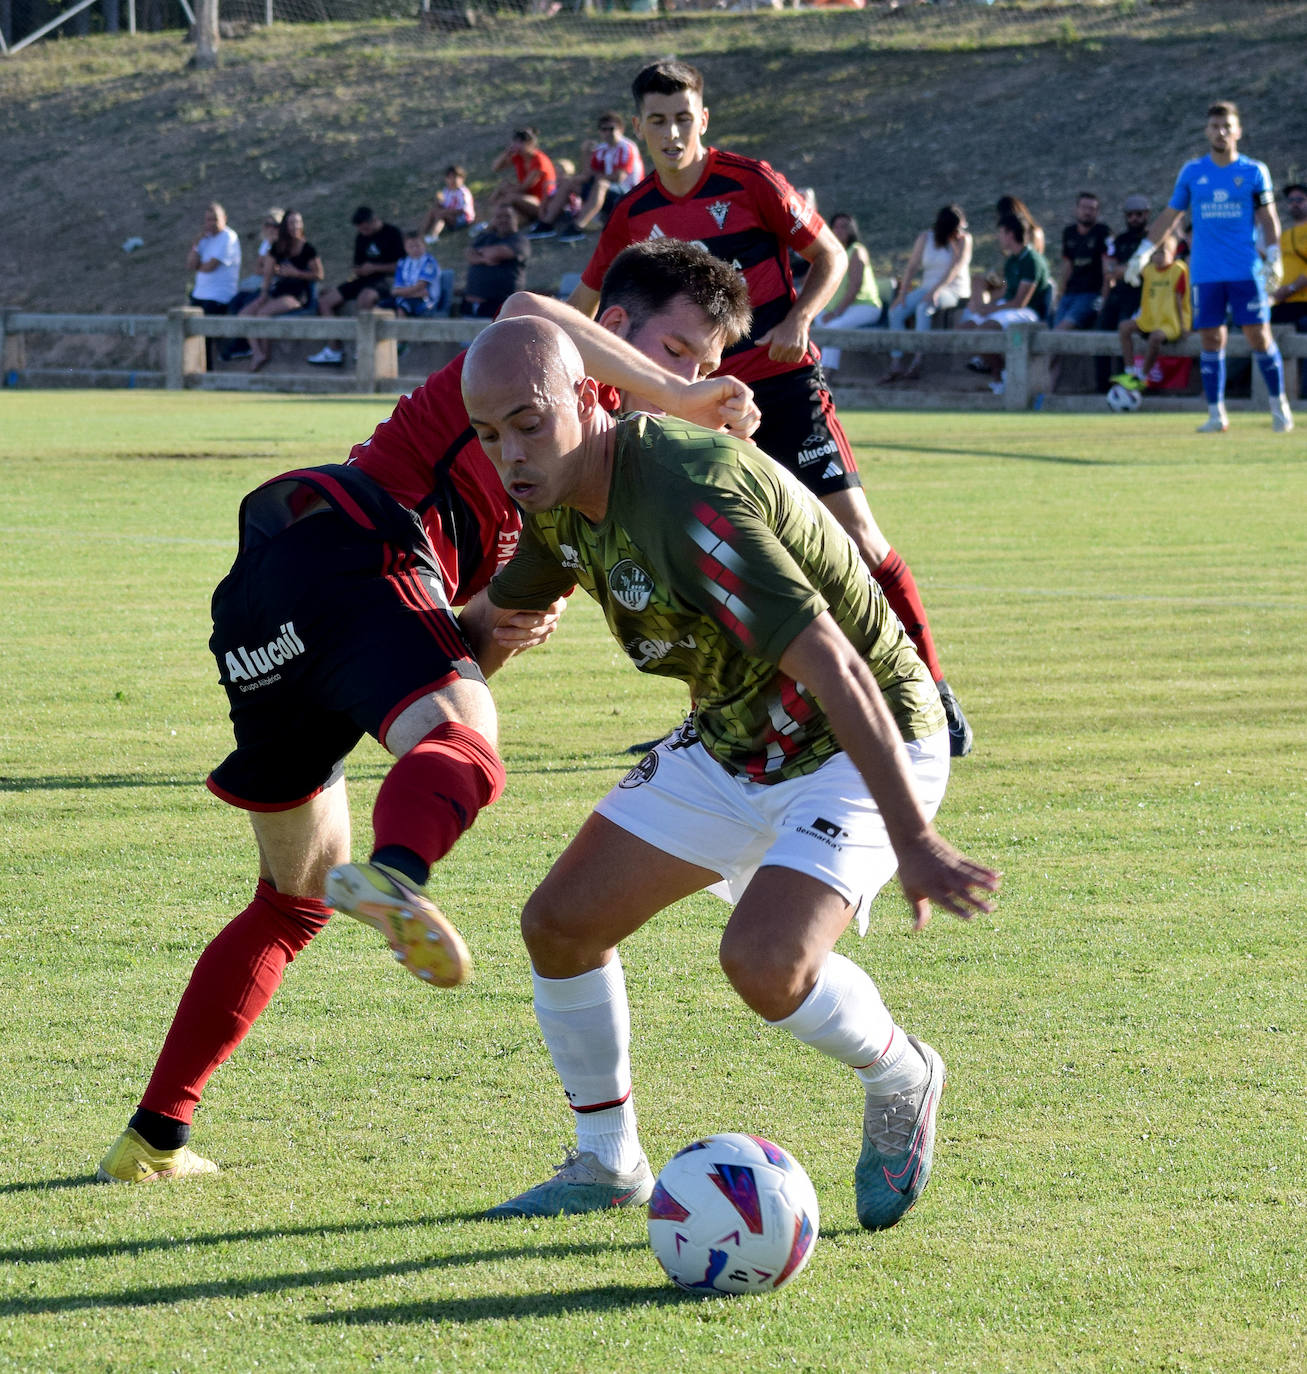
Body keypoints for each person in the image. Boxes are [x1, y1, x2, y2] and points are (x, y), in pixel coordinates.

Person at [94, 241, 762, 1186]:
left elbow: (441, 662)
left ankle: (152, 1140)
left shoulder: (578, 475)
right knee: (470, 745)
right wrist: (686, 400)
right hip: (349, 534)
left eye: (705, 366)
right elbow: (530, 306)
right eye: (685, 350)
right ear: (614, 331)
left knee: (291, 900)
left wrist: (492, 626)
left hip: (273, 608)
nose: (697, 377)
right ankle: (399, 875)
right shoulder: (526, 376)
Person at [463, 315, 999, 1230]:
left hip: (859, 736)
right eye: (487, 435)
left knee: (763, 963)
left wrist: (913, 837)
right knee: (559, 925)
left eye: (526, 423)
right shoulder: (553, 492)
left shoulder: (687, 491)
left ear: (588, 399)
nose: (510, 454)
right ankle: (606, 1162)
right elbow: (484, 627)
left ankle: (903, 1073)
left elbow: (837, 668)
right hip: (734, 736)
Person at [569, 59, 974, 758]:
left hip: (783, 390)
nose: (672, 132)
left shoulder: (749, 181)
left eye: (683, 118)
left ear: (704, 118)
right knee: (702, 561)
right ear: (638, 128)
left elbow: (831, 256)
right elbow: (584, 310)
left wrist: (800, 321)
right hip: (700, 406)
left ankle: (931, 688)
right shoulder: (633, 214)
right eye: (657, 121)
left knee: (857, 538)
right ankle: (712, 721)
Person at [1125, 100, 1293, 434]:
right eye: (1216, 126)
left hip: (1245, 270)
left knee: (1259, 336)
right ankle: (1216, 413)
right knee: (1211, 339)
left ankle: (1279, 406)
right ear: (1207, 131)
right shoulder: (1192, 172)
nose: (1221, 132)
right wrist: (1142, 253)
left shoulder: (1253, 171)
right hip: (1206, 272)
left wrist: (1273, 255)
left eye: (1227, 126)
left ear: (1238, 131)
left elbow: (1268, 217)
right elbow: (1170, 215)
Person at [957, 212, 1052, 393]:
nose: (997, 237)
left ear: (1010, 234)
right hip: (1008, 309)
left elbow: (1020, 302)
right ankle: (1000, 373)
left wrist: (990, 309)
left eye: (1000, 232)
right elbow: (1006, 289)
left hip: (1028, 312)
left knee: (984, 330)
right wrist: (983, 290)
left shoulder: (1032, 261)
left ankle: (1001, 375)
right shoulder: (1011, 262)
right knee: (965, 329)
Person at [880, 204, 972, 384]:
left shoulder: (964, 241)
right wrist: (903, 293)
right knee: (896, 312)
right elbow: (913, 265)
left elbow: (956, 267)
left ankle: (918, 360)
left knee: (924, 308)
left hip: (953, 289)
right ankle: (896, 361)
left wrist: (936, 290)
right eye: (958, 227)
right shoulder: (926, 238)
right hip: (927, 287)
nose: (961, 230)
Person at [309, 207, 406, 367]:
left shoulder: (393, 234)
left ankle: (364, 347)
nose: (363, 232)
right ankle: (334, 350)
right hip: (363, 279)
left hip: (385, 280)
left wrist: (375, 268)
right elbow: (357, 263)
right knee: (325, 301)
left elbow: (402, 265)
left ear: (374, 221)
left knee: (365, 299)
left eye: (366, 228)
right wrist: (360, 269)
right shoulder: (361, 237)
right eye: (360, 229)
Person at [531, 111, 645, 243]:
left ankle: (578, 226)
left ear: (621, 129)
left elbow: (619, 177)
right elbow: (587, 174)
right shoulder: (601, 149)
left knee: (601, 183)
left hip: (629, 194)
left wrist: (595, 176)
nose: (608, 133)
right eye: (604, 129)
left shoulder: (626, 147)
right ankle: (546, 224)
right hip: (607, 193)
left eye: (611, 129)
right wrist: (584, 154)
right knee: (569, 182)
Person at [238, 209, 323, 373]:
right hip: (277, 291)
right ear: (285, 226)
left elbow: (319, 274)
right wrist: (263, 294)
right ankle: (257, 352)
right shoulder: (278, 247)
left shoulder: (307, 249)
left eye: (298, 222)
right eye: (292, 223)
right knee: (245, 314)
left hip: (297, 295)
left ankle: (265, 354)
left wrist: (296, 273)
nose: (295, 226)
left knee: (263, 314)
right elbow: (267, 272)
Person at [1112, 235, 1191, 392]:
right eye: (1155, 253)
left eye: (1162, 252)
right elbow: (1126, 271)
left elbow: (1179, 298)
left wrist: (1184, 327)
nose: (1158, 257)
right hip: (1150, 319)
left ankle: (1142, 377)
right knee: (1124, 327)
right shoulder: (1148, 270)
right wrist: (1116, 270)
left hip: (1171, 322)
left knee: (1155, 338)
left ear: (1173, 252)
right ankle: (1130, 372)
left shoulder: (1178, 269)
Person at [1094, 194, 1152, 394]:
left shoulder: (1151, 240)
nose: (1134, 219)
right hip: (1117, 295)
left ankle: (1123, 384)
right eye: (1130, 215)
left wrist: (1124, 270)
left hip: (1140, 297)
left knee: (1123, 336)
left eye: (1138, 214)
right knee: (1100, 334)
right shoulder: (1119, 240)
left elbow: (1150, 268)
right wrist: (1104, 297)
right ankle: (1102, 386)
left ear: (1146, 215)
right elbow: (1109, 271)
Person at [221, 210, 284, 363]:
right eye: (268, 224)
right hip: (260, 283)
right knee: (235, 302)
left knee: (247, 305)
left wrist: (268, 269)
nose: (271, 228)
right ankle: (241, 343)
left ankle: (244, 345)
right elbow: (258, 268)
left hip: (275, 287)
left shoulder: (282, 245)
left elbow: (278, 270)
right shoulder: (266, 244)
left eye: (275, 225)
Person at [187, 202, 241, 368]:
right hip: (199, 295)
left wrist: (199, 266)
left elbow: (211, 266)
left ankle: (207, 372)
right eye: (208, 220)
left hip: (219, 296)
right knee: (189, 334)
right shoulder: (204, 239)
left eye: (215, 219)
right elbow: (190, 265)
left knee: (205, 337)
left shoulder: (229, 238)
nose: (211, 223)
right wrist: (196, 243)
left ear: (224, 219)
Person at [462, 204, 530, 319]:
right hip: (471, 306)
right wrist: (485, 258)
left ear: (516, 219)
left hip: (500, 307)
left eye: (507, 216)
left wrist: (480, 254)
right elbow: (468, 254)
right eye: (499, 217)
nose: (503, 220)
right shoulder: (485, 237)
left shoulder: (519, 240)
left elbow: (499, 253)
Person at [1271, 183, 1307, 398]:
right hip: (1283, 304)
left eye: (1299, 200)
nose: (1294, 204)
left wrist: (1291, 287)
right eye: (1291, 200)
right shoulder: (1282, 235)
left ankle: (1303, 398)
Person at [816, 212, 882, 330]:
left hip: (863, 306)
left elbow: (855, 286)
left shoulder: (857, 250)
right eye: (836, 227)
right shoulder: (832, 253)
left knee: (832, 330)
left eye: (844, 227)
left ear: (852, 230)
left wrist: (836, 313)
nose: (839, 230)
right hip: (837, 308)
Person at [489, 128, 557, 224]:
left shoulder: (539, 161)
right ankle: (497, 219)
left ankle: (497, 220)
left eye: (521, 142)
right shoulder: (519, 157)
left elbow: (524, 187)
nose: (516, 145)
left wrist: (507, 190)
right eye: (515, 141)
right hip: (528, 198)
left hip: (544, 203)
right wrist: (506, 154)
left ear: (531, 144)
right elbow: (495, 168)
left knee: (510, 197)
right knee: (502, 190)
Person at [390, 230, 443, 317]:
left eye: (418, 246)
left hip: (426, 301)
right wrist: (399, 292)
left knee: (402, 307)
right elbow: (398, 286)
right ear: (405, 248)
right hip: (407, 297)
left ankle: (401, 330)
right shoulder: (402, 262)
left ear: (424, 245)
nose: (415, 249)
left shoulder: (429, 262)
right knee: (382, 307)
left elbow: (421, 286)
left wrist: (399, 292)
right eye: (411, 246)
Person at [421, 165, 476, 244]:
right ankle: (421, 234)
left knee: (442, 215)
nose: (452, 180)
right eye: (449, 178)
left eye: (455, 177)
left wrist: (445, 212)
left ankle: (433, 236)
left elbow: (462, 210)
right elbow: (444, 205)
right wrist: (437, 204)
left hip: (463, 219)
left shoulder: (463, 192)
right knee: (433, 211)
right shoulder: (446, 191)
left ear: (462, 179)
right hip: (450, 217)